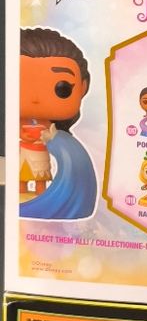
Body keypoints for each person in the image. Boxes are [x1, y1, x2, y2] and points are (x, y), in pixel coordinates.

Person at [19, 27, 97, 220]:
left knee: (41, 175)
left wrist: (49, 138)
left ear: (82, 87)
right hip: (23, 153)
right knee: (21, 175)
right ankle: (20, 191)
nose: (35, 98)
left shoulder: (62, 139)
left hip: (39, 154)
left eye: (62, 88)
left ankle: (40, 192)